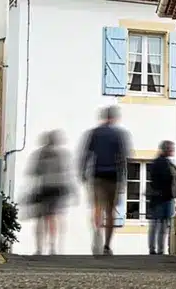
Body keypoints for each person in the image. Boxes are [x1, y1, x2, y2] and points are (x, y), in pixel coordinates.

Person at [79, 106, 131, 255]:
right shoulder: (118, 135)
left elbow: (86, 154)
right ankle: (107, 245)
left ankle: (97, 231)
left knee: (97, 207)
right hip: (113, 175)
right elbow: (123, 158)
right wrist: (123, 179)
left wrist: (83, 172)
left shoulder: (94, 133)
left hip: (97, 174)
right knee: (110, 212)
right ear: (114, 118)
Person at [25, 130, 73, 255]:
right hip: (56, 189)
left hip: (43, 188)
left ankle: (39, 248)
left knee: (40, 218)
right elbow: (66, 172)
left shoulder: (40, 154)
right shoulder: (61, 154)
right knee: (52, 217)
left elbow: (33, 171)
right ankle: (52, 246)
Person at [146, 140, 176, 256]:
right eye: (170, 148)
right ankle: (155, 249)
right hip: (160, 198)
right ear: (165, 149)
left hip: (165, 198)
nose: (172, 150)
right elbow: (159, 181)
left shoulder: (166, 163)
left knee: (160, 225)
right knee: (157, 224)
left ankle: (158, 249)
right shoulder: (160, 163)